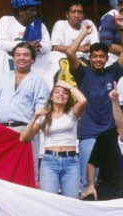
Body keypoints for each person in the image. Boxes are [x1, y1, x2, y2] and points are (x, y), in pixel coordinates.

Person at [66, 25, 123, 189]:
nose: (98, 59)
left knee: (111, 180)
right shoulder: (83, 74)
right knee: (88, 181)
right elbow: (70, 53)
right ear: (89, 58)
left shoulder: (112, 72)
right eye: (95, 56)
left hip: (110, 134)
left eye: (102, 56)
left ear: (106, 58)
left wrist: (121, 29)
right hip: (88, 134)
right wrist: (84, 33)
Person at [20, 81, 87, 196]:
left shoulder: (72, 113)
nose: (61, 94)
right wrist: (34, 117)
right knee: (48, 200)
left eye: (65, 93)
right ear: (51, 97)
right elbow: (24, 138)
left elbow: (83, 100)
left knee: (71, 201)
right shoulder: (44, 116)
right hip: (50, 161)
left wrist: (68, 86)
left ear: (68, 98)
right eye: (57, 92)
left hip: (71, 160)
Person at [81, 89, 123, 201]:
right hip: (110, 189)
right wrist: (90, 185)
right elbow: (92, 163)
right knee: (88, 198)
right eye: (122, 110)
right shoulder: (106, 136)